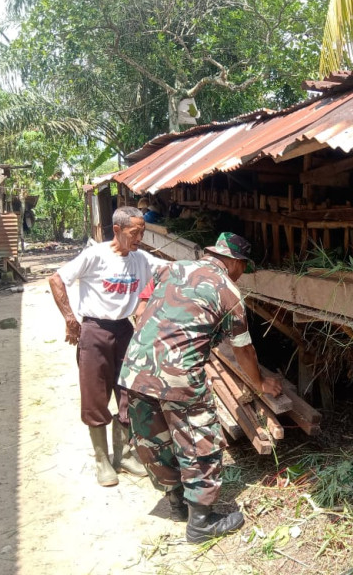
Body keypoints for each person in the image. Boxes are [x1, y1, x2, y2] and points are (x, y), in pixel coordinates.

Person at [118, 232, 283, 543]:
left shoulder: (172, 268)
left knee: (157, 440)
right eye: (243, 266)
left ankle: (177, 504)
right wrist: (260, 384)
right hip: (179, 376)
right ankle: (202, 524)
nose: (242, 273)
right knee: (198, 443)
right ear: (234, 262)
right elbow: (244, 350)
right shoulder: (228, 292)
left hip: (136, 369)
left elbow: (141, 306)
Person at [49, 206, 168, 487]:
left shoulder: (140, 259)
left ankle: (124, 455)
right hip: (95, 331)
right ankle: (102, 460)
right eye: (135, 232)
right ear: (117, 230)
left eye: (142, 232)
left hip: (125, 330)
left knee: (129, 392)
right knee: (95, 395)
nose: (140, 237)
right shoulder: (95, 255)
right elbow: (56, 279)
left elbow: (168, 270)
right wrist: (70, 319)